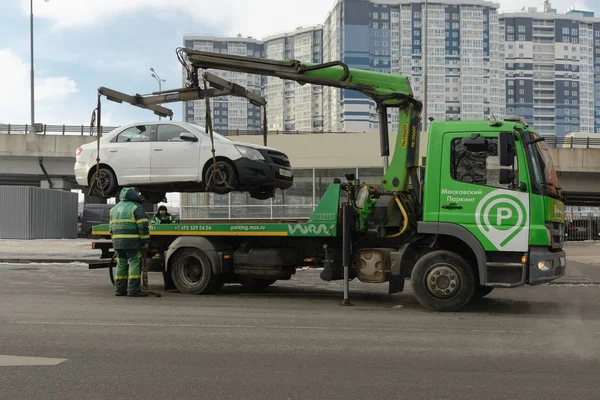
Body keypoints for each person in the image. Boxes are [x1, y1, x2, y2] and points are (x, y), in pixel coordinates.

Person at [109, 187, 150, 297]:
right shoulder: (136, 207)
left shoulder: (114, 209)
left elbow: (111, 229)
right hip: (132, 242)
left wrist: (116, 241)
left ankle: (120, 290)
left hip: (118, 242)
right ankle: (133, 290)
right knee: (134, 263)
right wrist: (145, 241)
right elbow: (142, 226)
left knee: (121, 264)